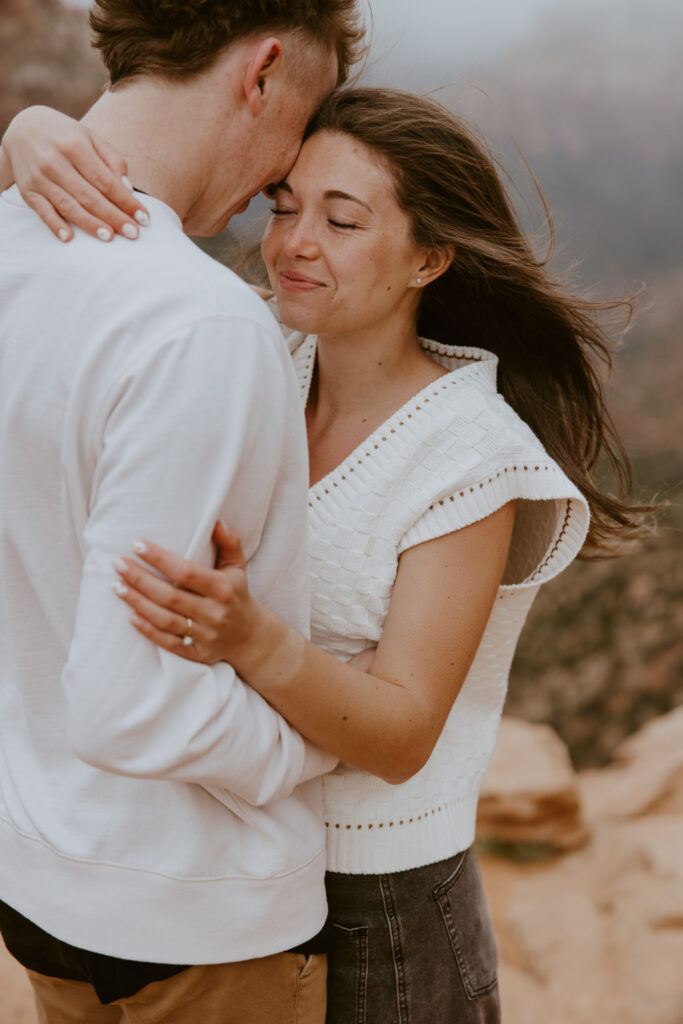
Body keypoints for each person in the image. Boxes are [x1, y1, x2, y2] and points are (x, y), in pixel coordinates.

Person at [2, 87, 644, 1023]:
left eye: (342, 221)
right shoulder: (253, 345)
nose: (294, 241)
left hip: (382, 904)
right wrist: (32, 132)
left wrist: (254, 641)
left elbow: (400, 733)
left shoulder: (471, 457)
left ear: (429, 257)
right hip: (231, 875)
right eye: (284, 205)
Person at [0, 2, 366, 1023]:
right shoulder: (197, 323)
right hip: (195, 919)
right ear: (260, 74)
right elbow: (128, 703)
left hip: (37, 883)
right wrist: (311, 749)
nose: (276, 191)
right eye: (304, 112)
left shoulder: (6, 246)